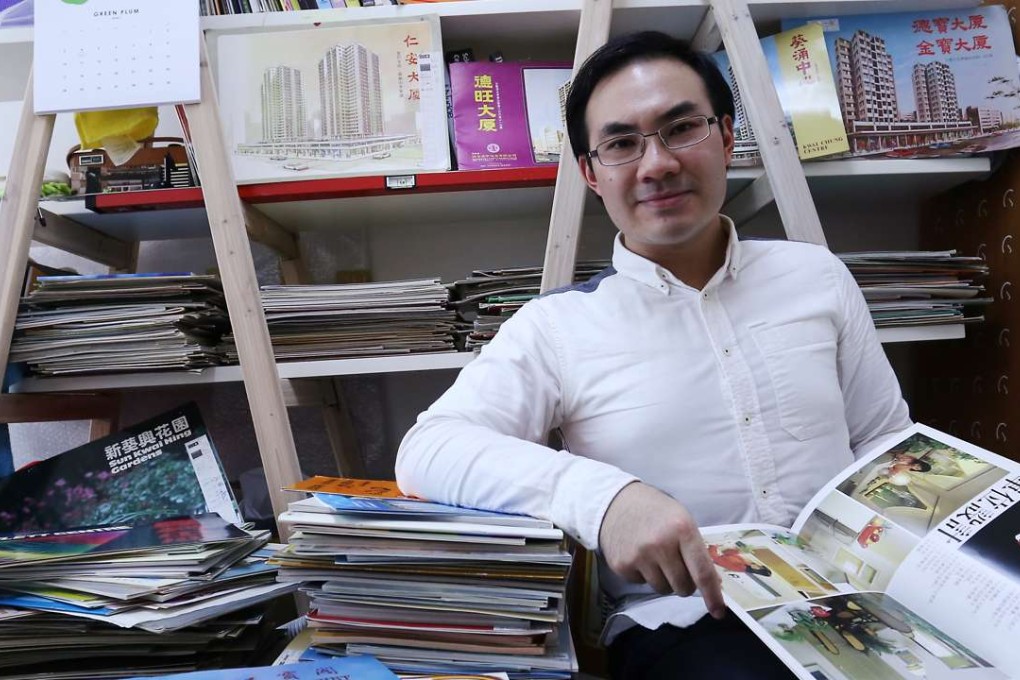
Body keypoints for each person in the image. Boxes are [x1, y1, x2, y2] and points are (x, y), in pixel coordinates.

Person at [396, 30, 911, 679]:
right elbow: (427, 451)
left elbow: (886, 447)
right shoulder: (558, 326)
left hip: (867, 602)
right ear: (590, 172)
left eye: (680, 128)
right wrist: (605, 500)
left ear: (726, 137)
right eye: (621, 144)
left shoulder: (818, 277)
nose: (657, 163)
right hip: (689, 624)